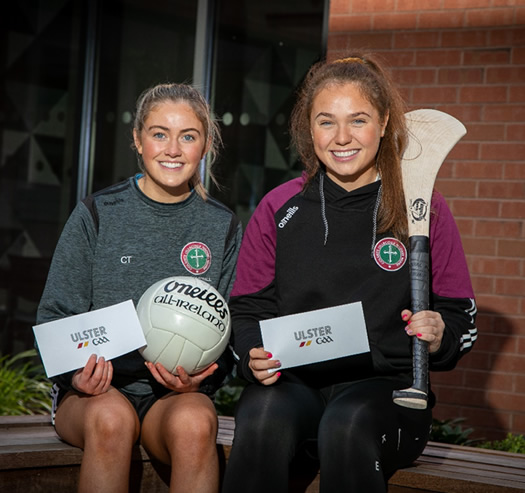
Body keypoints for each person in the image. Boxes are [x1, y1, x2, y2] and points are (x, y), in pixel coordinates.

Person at [221, 53, 477, 493]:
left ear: (384, 124)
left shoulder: (422, 206)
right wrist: (251, 355)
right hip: (296, 383)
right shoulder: (279, 206)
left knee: (346, 424)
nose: (342, 137)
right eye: (326, 121)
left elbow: (460, 316)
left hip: (387, 392)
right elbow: (247, 309)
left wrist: (440, 334)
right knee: (261, 418)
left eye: (358, 120)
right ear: (309, 128)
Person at [37, 83, 242, 493]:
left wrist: (201, 380)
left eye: (188, 136)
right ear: (137, 140)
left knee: (198, 424)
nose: (173, 149)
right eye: (159, 133)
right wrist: (77, 375)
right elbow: (55, 315)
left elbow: (232, 333)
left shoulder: (222, 226)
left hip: (173, 396)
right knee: (112, 421)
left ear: (205, 146)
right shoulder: (98, 212)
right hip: (94, 394)